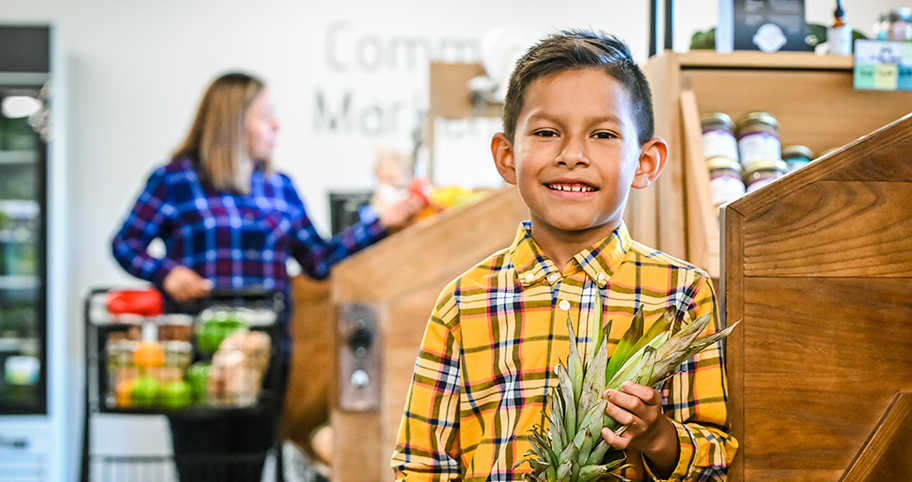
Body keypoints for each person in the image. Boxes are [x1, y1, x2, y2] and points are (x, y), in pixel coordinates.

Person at [391, 30, 738, 481]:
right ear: (507, 156)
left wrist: (658, 436)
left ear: (645, 162)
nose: (572, 154)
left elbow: (717, 460)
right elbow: (421, 465)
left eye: (603, 134)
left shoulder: (682, 295)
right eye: (546, 132)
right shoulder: (463, 303)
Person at [111, 72, 422, 481]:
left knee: (250, 470)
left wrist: (379, 222)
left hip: (265, 355)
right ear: (232, 120)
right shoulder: (175, 180)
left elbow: (318, 260)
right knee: (200, 470)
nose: (276, 126)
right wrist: (167, 273)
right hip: (202, 355)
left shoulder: (281, 188)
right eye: (265, 115)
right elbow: (126, 243)